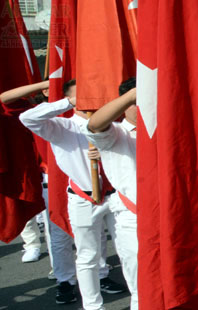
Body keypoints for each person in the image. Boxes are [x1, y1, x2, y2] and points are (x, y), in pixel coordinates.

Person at [19, 79, 129, 310]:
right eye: (81, 94)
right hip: (84, 197)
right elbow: (27, 118)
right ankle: (93, 306)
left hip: (116, 196)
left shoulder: (114, 124)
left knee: (128, 251)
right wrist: (68, 102)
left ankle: (140, 300)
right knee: (87, 255)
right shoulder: (62, 126)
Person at [83, 78, 142, 310]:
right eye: (134, 103)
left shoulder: (166, 129)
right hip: (133, 218)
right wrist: (132, 95)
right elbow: (95, 125)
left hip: (171, 217)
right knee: (141, 287)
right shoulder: (116, 133)